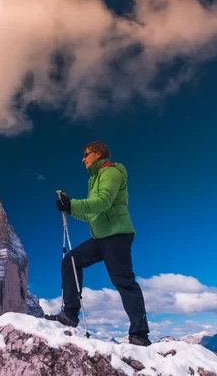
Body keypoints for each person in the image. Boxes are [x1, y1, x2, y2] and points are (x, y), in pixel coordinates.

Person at [45, 142, 152, 346]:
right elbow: (94, 213)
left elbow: (103, 202)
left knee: (123, 281)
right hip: (101, 237)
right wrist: (70, 209)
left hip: (117, 234)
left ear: (98, 154)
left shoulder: (110, 173)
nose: (83, 159)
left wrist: (73, 204)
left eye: (86, 154)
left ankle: (140, 335)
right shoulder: (94, 180)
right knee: (71, 262)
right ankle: (70, 314)